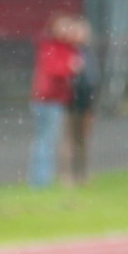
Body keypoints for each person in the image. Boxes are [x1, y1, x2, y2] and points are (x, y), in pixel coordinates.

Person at [28, 13, 81, 188]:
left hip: (54, 98)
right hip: (48, 99)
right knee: (46, 139)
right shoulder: (52, 46)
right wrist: (71, 67)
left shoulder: (65, 46)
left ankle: (43, 178)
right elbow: (55, 70)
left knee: (47, 139)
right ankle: (41, 180)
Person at [63, 15, 97, 186]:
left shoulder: (87, 52)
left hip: (86, 101)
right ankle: (68, 175)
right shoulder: (69, 51)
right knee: (70, 139)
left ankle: (83, 174)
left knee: (83, 140)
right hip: (71, 101)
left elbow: (92, 79)